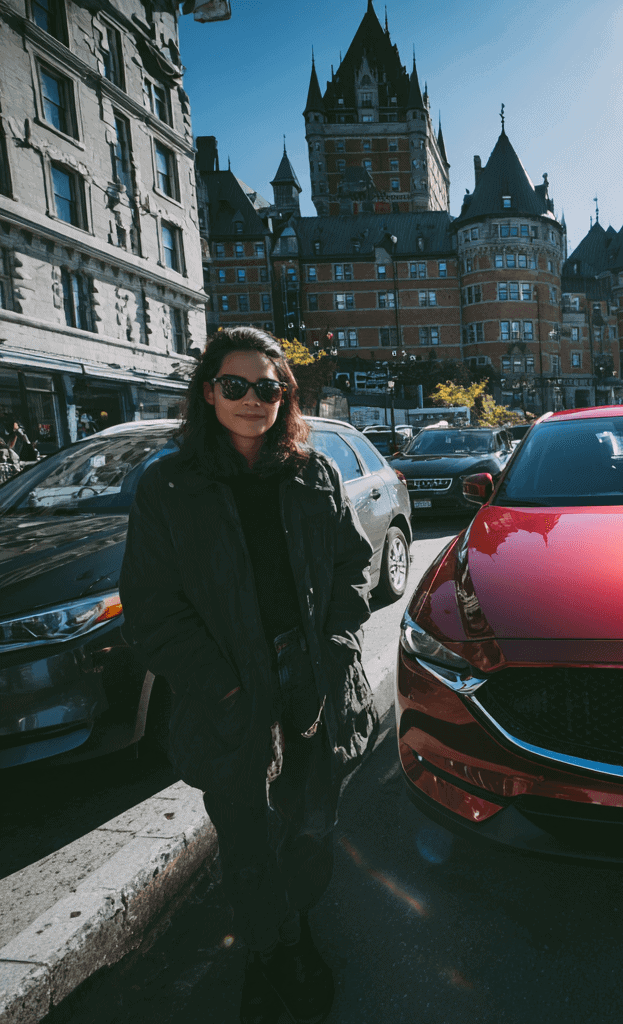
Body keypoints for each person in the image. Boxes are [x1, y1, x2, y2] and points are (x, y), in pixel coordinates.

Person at [119, 327, 377, 1024]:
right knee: (245, 830)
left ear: (286, 396)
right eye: (236, 385)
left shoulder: (313, 472)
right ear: (208, 392)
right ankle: (272, 952)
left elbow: (355, 566)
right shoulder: (170, 485)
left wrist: (338, 642)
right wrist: (227, 688)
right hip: (225, 684)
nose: (253, 399)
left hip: (311, 670)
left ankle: (293, 925)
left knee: (311, 821)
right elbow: (150, 608)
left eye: (269, 388)